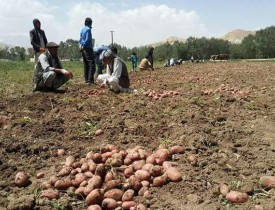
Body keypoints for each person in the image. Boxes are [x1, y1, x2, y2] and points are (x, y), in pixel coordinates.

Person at [79, 17, 96, 85]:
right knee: (92, 65)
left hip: (83, 49)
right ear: (90, 23)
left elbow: (80, 40)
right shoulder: (88, 29)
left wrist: (81, 47)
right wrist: (84, 46)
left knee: (86, 64)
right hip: (88, 48)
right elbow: (87, 39)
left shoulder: (82, 29)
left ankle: (86, 80)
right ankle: (90, 81)